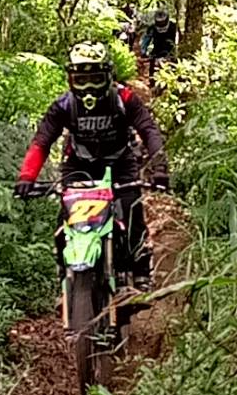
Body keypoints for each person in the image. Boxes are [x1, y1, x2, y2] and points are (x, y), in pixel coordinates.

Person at [13, 41, 169, 291]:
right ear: (70, 79)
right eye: (80, 79)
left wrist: (160, 168)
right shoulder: (63, 105)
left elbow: (149, 130)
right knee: (66, 220)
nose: (88, 87)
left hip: (120, 164)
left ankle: (141, 269)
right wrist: (27, 177)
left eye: (95, 78)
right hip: (78, 164)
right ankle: (65, 275)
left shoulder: (125, 99)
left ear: (108, 76)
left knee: (131, 210)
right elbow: (41, 141)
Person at [139, 8, 178, 82]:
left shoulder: (174, 27)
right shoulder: (152, 28)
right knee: (152, 75)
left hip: (170, 53)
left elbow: (179, 39)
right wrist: (144, 52)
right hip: (156, 52)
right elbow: (146, 40)